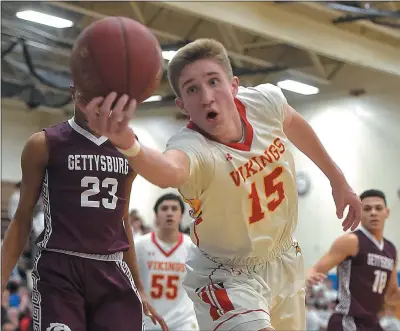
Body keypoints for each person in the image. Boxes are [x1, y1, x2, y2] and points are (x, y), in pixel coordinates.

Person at [81, 38, 361, 331]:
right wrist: (129, 144)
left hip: (284, 258)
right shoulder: (192, 147)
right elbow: (169, 171)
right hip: (226, 274)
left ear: (234, 85)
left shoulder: (265, 102)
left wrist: (337, 179)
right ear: (182, 105)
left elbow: (293, 123)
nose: (206, 96)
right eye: (192, 89)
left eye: (214, 82)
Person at [1, 83, 167, 331]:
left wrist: (139, 287)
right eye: (86, 87)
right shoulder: (44, 143)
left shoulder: (129, 147)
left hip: (111, 268)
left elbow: (122, 222)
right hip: (60, 269)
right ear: (72, 90)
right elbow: (22, 218)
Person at [307, 189, 400, 331]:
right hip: (347, 321)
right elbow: (315, 270)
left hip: (372, 323)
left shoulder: (390, 250)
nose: (373, 212)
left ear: (386, 212)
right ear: (359, 212)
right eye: (367, 209)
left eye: (378, 208)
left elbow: (391, 295)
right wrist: (301, 283)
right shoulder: (351, 241)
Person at [135, 193, 199, 331]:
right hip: (149, 320)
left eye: (174, 209)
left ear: (181, 215)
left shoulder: (192, 247)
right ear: (156, 215)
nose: (169, 213)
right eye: (164, 209)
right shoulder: (139, 245)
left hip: (184, 321)